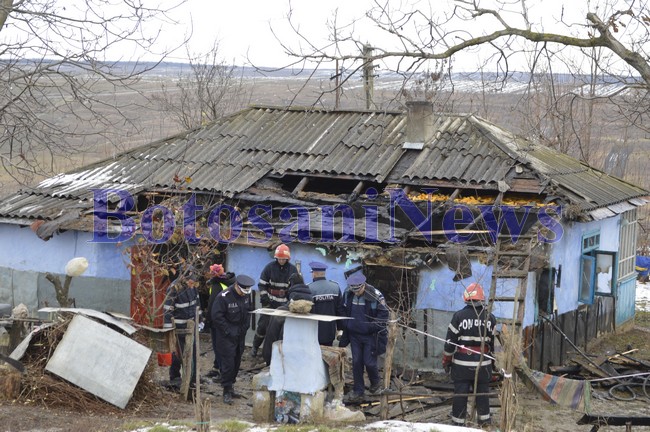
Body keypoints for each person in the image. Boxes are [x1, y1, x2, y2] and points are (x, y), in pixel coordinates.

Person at [442, 282, 496, 428]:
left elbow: (449, 344)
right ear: (481, 298)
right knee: (482, 395)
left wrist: (446, 361)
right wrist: (494, 364)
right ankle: (484, 424)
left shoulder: (458, 316)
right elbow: (492, 345)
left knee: (460, 395)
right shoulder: (490, 318)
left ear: (466, 298)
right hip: (483, 365)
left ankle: (458, 425)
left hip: (461, 366)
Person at [338, 272, 388, 402]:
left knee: (369, 362)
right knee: (356, 362)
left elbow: (383, 316)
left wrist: (369, 327)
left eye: (358, 290)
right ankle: (358, 390)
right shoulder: (348, 293)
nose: (356, 293)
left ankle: (375, 383)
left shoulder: (375, 295)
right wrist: (347, 324)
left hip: (370, 336)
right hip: (354, 335)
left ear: (363, 285)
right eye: (353, 290)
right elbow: (342, 310)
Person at [212, 274, 255, 405]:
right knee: (228, 363)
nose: (244, 294)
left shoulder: (246, 296)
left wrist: (245, 328)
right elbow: (216, 316)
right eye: (243, 291)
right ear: (237, 286)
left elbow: (248, 313)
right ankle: (226, 389)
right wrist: (227, 331)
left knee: (236, 361)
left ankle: (231, 387)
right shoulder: (224, 297)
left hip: (240, 334)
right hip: (226, 336)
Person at [251, 243, 298, 357]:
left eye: (283, 259)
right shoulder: (269, 268)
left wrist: (290, 301)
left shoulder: (292, 270)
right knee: (262, 326)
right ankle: (255, 347)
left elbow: (295, 288)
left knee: (282, 329)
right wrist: (264, 298)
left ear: (287, 259)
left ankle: (278, 352)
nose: (281, 261)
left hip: (284, 304)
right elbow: (262, 285)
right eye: (279, 259)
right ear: (276, 257)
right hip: (270, 303)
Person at [163, 272, 201, 389]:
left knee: (192, 352)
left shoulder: (193, 288)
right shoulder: (174, 289)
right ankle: (175, 377)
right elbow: (167, 311)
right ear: (184, 279)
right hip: (178, 329)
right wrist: (169, 331)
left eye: (194, 283)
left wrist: (200, 321)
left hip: (191, 327)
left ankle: (192, 377)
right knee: (177, 353)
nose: (192, 285)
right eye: (190, 283)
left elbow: (197, 305)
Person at [262, 283, 314, 366]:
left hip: (281, 356)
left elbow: (271, 336)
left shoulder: (280, 314)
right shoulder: (311, 316)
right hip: (300, 361)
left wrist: (268, 358)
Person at [204, 263, 236, 380]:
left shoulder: (219, 285)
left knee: (220, 347)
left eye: (212, 273)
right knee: (219, 346)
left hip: (219, 321)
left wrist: (208, 320)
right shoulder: (225, 282)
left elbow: (213, 304)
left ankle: (223, 373)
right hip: (222, 320)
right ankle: (217, 367)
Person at [307, 261, 342, 346]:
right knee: (328, 354)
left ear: (314, 273)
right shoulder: (335, 287)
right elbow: (340, 310)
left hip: (314, 330)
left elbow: (307, 311)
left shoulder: (309, 288)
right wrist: (340, 329)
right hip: (330, 330)